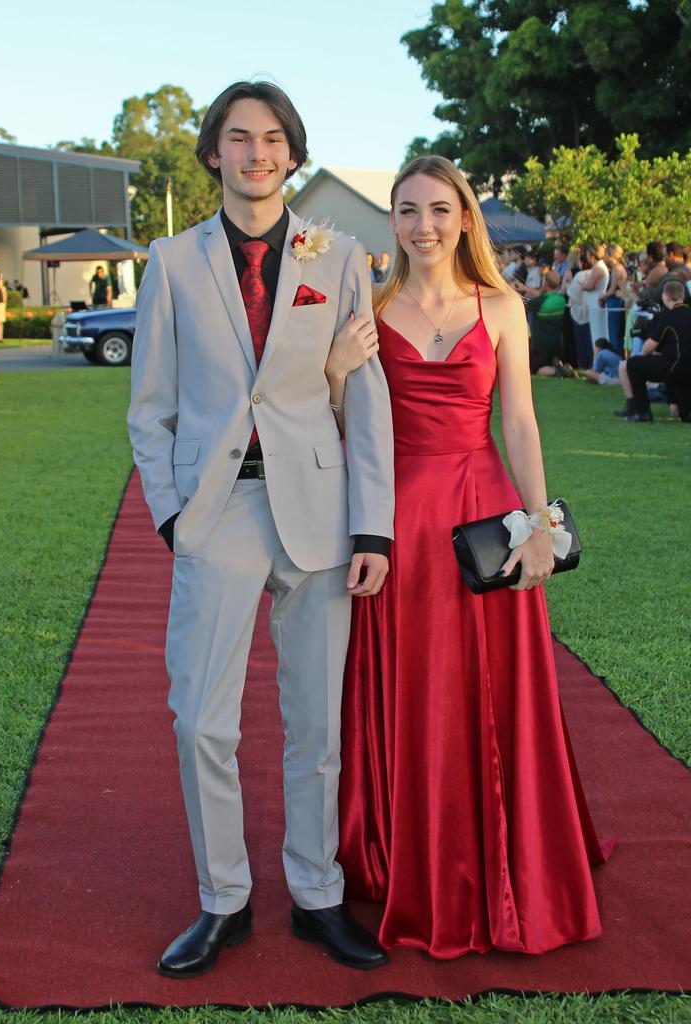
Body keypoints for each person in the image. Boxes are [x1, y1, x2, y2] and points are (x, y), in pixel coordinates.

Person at [127, 80, 395, 979]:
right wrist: (174, 517)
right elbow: (150, 409)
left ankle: (318, 895)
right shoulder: (170, 261)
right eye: (238, 138)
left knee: (316, 722)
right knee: (202, 722)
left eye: (273, 138)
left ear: (293, 152)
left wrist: (375, 530)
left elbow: (365, 397)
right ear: (213, 153)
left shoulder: (340, 255)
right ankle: (223, 901)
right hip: (217, 513)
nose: (257, 153)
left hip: (320, 514)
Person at [329, 155, 606, 957]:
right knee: (412, 688)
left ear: (464, 218)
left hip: (486, 519)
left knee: (494, 687)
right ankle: (403, 856)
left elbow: (518, 421)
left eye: (439, 210)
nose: (424, 226)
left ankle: (513, 858)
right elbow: (347, 422)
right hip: (399, 521)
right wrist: (338, 373)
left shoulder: (502, 306)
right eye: (408, 210)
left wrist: (542, 522)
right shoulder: (369, 309)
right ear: (392, 219)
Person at [620, 280, 691, 422]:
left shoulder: (667, 317)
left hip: (673, 366)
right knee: (684, 415)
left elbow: (647, 348)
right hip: (686, 369)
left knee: (633, 364)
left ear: (666, 296)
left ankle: (642, 412)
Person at [582, 244, 609, 363]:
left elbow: (588, 286)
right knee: (597, 332)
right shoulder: (600, 267)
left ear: (592, 255)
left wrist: (583, 283)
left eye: (588, 255)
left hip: (596, 303)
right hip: (594, 302)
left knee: (597, 333)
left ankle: (599, 361)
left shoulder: (598, 267)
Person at [600, 244, 627, 354]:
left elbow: (612, 290)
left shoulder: (616, 269)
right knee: (618, 333)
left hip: (615, 302)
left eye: (605, 255)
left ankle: (616, 358)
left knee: (614, 333)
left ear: (611, 255)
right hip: (617, 302)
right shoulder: (621, 267)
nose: (604, 258)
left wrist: (601, 297)